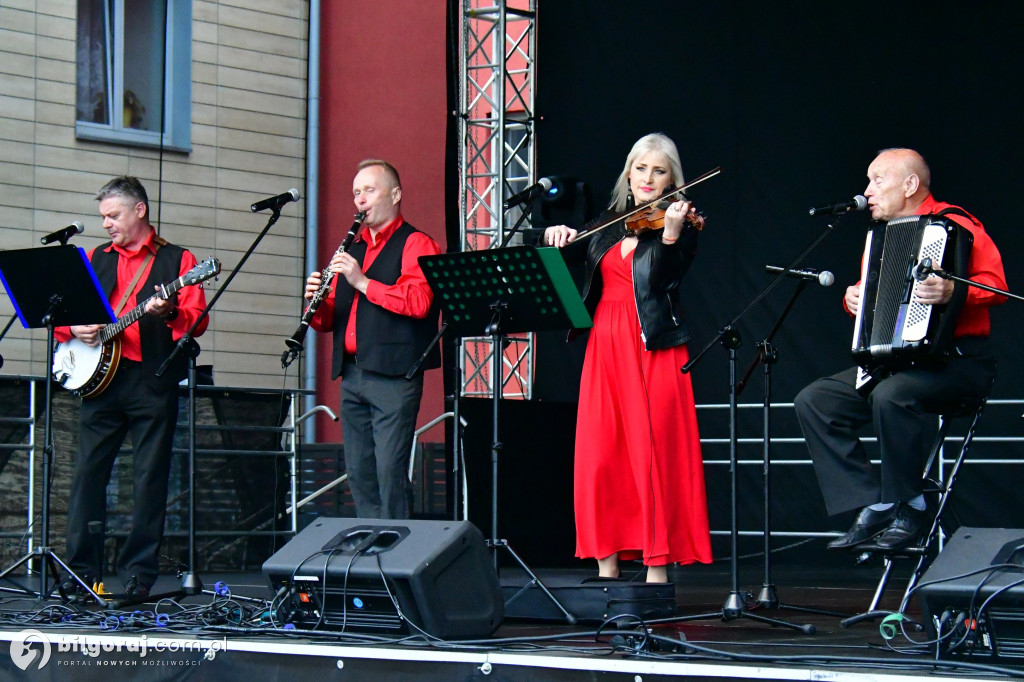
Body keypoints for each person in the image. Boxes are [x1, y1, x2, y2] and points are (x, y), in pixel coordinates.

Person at [794, 148, 1007, 552]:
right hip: (898, 364)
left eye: (877, 180)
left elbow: (997, 285)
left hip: (959, 363)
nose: (867, 191)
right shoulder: (881, 238)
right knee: (816, 400)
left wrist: (954, 290)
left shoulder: (957, 223)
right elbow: (875, 299)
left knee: (891, 394)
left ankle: (913, 505)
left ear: (910, 185)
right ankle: (877, 502)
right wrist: (852, 299)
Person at [543, 133, 712, 583]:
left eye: (659, 171)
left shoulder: (682, 224)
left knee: (651, 453)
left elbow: (662, 280)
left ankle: (657, 571)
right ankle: (607, 569)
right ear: (629, 173)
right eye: (641, 168)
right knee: (602, 455)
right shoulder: (608, 222)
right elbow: (564, 254)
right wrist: (555, 235)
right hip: (605, 341)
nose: (648, 178)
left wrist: (670, 234)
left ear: (672, 179)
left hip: (651, 344)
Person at [58, 176, 209, 598]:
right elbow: (61, 315)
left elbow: (196, 322)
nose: (106, 223)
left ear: (139, 210)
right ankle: (81, 573)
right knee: (87, 475)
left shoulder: (179, 259)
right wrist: (74, 327)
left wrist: (168, 311)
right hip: (100, 379)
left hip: (151, 379)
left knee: (149, 479)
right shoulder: (94, 257)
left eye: (113, 215)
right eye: (103, 216)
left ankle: (138, 575)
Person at [305, 159, 441, 519]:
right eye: (356, 193)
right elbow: (331, 318)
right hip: (352, 373)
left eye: (369, 190)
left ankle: (398, 545)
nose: (360, 199)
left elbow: (419, 302)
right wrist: (315, 303)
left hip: (394, 375)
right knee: (359, 471)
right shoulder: (353, 249)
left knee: (389, 472)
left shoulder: (416, 243)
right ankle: (370, 542)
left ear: (395, 195)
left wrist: (363, 282)